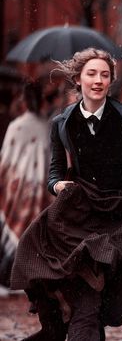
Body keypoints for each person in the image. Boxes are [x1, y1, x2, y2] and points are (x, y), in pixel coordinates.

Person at [11, 48, 122, 341]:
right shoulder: (62, 122)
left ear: (110, 81)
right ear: (78, 79)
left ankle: (79, 324)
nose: (98, 80)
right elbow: (54, 171)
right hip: (80, 210)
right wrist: (56, 185)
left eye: (105, 75)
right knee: (35, 249)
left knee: (100, 292)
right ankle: (65, 324)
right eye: (91, 74)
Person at [0, 80, 52, 288]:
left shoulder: (16, 126)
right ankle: (24, 276)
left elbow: (5, 159)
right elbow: (49, 161)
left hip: (14, 185)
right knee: (31, 231)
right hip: (37, 188)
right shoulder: (45, 127)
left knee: (12, 227)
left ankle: (6, 277)